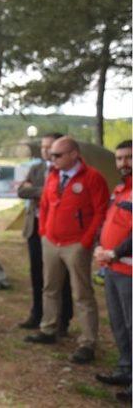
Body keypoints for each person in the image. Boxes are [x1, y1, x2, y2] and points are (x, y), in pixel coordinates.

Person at [25, 136, 109, 364]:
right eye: (51, 155)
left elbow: (101, 212)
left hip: (76, 244)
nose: (52, 159)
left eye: (57, 155)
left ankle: (87, 342)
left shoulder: (92, 178)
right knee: (50, 287)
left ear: (74, 154)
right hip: (51, 241)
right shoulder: (53, 175)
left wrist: (85, 241)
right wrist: (44, 232)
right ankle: (48, 329)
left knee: (82, 293)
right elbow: (44, 205)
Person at [17, 132, 74, 334]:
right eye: (42, 147)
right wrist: (43, 191)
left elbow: (63, 196)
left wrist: (38, 191)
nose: (45, 151)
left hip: (57, 231)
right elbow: (21, 191)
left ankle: (63, 318)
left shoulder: (66, 172)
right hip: (35, 227)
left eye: (49, 147)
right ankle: (37, 313)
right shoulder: (36, 168)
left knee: (61, 278)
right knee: (37, 274)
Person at [94, 140, 132, 402]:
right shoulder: (120, 190)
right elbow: (109, 222)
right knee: (119, 324)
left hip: (129, 271)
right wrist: (100, 245)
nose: (123, 163)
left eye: (128, 158)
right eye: (119, 159)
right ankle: (125, 369)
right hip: (112, 268)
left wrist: (115, 252)